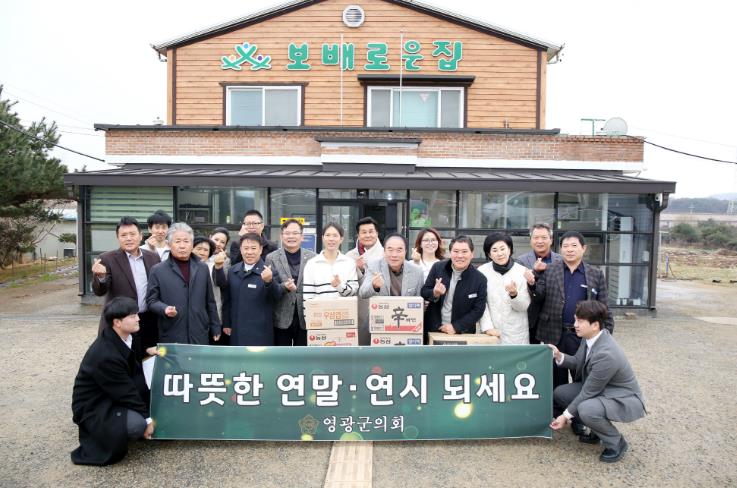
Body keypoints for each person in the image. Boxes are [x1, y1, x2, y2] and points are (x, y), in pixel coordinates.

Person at [550, 300, 645, 463]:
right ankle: (597, 431)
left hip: (623, 397)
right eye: (575, 320)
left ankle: (616, 442)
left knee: (586, 409)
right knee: (561, 393)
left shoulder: (606, 354)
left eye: (580, 321)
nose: (575, 325)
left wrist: (565, 416)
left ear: (595, 325)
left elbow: (588, 392)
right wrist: (559, 356)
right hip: (603, 390)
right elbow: (577, 361)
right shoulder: (590, 337)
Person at [71, 297, 154, 466]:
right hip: (95, 404)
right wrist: (147, 420)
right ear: (117, 322)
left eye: (137, 314)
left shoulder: (127, 336)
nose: (138, 318)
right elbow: (126, 392)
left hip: (112, 393)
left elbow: (131, 358)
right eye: (133, 316)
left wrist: (148, 350)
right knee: (137, 425)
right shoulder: (105, 354)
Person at [534, 231, 614, 392]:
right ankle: (557, 408)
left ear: (583, 248)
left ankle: (579, 407)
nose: (569, 249)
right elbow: (538, 295)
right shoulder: (549, 270)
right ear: (560, 249)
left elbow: (604, 306)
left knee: (582, 377)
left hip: (581, 336)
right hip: (553, 333)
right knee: (555, 380)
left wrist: (606, 334)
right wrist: (532, 281)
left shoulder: (595, 274)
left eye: (574, 246)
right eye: (565, 246)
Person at [91, 216, 160, 359]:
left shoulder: (153, 257)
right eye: (123, 235)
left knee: (147, 359)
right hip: (121, 322)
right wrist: (100, 277)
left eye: (132, 234)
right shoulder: (107, 258)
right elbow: (100, 291)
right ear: (118, 238)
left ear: (140, 236)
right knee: (120, 361)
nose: (128, 238)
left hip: (148, 320)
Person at [146, 222, 221, 345]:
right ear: (169, 244)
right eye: (177, 241)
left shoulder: (202, 268)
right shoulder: (158, 270)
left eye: (186, 241)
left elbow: (210, 301)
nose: (182, 246)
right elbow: (151, 300)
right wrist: (164, 309)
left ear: (192, 245)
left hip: (199, 330)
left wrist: (215, 325)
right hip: (172, 330)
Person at [219, 233, 283, 346]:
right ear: (240, 249)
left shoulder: (269, 271)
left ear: (260, 250)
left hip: (260, 330)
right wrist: (227, 323)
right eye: (246, 248)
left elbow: (277, 296)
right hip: (237, 328)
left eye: (253, 248)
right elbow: (227, 300)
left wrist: (269, 281)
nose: (249, 252)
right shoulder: (233, 271)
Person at [421, 235, 487, 339]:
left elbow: (478, 310)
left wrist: (456, 327)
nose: (460, 256)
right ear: (450, 253)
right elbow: (424, 291)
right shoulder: (438, 268)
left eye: (464, 252)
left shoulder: (480, 279)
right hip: (433, 329)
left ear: (472, 254)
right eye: (456, 251)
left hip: (463, 332)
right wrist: (435, 293)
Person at [264, 219, 316, 346]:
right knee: (282, 355)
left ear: (302, 236)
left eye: (295, 233)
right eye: (287, 233)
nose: (291, 236)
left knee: (303, 354)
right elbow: (271, 289)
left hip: (306, 316)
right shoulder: (272, 258)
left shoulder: (313, 257)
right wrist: (284, 287)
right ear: (281, 236)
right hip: (281, 317)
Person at [477, 232, 531, 344]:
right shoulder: (482, 272)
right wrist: (487, 328)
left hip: (516, 333)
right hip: (491, 332)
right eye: (495, 250)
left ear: (509, 250)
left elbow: (524, 306)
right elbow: (481, 303)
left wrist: (514, 294)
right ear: (489, 254)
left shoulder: (521, 271)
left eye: (503, 249)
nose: (499, 253)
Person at [516, 223, 563, 344]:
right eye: (536, 238)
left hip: (555, 318)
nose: (540, 241)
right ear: (530, 240)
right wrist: (534, 270)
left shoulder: (561, 260)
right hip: (532, 316)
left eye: (544, 237)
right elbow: (521, 286)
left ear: (551, 240)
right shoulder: (521, 261)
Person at [346, 217, 384, 345]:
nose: (368, 235)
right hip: (357, 310)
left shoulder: (386, 255)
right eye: (363, 232)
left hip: (382, 309)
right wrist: (358, 269)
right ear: (358, 235)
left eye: (371, 231)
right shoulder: (349, 257)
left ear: (377, 233)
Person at [303, 223, 359, 302]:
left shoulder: (349, 263)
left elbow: (353, 293)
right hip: (319, 309)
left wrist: (339, 286)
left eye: (335, 236)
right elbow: (308, 296)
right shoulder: (312, 264)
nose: (331, 239)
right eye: (328, 235)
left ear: (341, 239)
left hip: (343, 309)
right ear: (323, 238)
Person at [359, 233, 424, 299]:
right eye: (390, 250)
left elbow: (419, 300)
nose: (394, 255)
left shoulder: (417, 271)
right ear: (384, 251)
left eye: (399, 250)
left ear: (405, 252)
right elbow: (362, 294)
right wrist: (374, 286)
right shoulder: (374, 266)